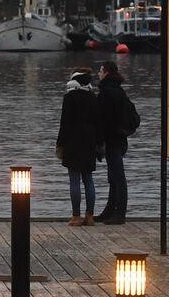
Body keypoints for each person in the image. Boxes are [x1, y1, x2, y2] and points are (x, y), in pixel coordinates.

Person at [56, 70, 99, 226]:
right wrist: (98, 143)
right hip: (89, 141)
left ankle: (75, 216)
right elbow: (97, 123)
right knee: (88, 179)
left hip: (72, 141)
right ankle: (90, 216)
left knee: (74, 179)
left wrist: (59, 144)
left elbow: (64, 122)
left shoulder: (69, 97)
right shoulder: (93, 97)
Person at [95, 59, 132, 224]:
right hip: (120, 138)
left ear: (107, 73)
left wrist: (98, 141)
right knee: (113, 177)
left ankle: (120, 214)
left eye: (101, 71)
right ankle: (110, 211)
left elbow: (102, 119)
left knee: (118, 177)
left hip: (112, 140)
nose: (98, 73)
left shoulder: (106, 92)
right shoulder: (119, 90)